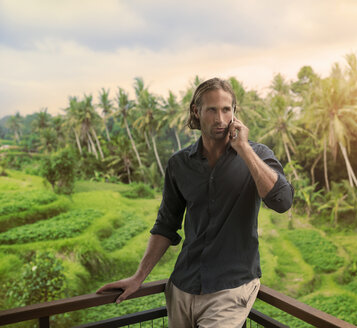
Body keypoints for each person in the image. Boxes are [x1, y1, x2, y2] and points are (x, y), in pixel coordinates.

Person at [97, 77, 294, 327]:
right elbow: (166, 225)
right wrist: (138, 277)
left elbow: (282, 202)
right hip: (183, 286)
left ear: (235, 112)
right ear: (196, 111)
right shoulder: (179, 164)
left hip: (230, 288)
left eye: (226, 110)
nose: (220, 119)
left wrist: (243, 149)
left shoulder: (258, 155)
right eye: (212, 110)